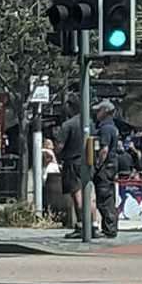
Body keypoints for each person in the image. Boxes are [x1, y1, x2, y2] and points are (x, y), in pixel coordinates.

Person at [55, 100, 88, 235]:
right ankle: (93, 224)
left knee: (77, 194)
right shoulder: (88, 123)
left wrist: (57, 152)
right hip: (87, 161)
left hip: (72, 162)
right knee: (89, 194)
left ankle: (80, 225)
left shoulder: (68, 125)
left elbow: (60, 146)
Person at [91, 101, 122, 238]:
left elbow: (104, 150)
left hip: (106, 167)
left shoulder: (105, 128)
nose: (96, 114)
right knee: (108, 197)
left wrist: (98, 164)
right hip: (111, 166)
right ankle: (110, 227)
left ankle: (110, 228)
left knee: (104, 198)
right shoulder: (112, 127)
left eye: (98, 111)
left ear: (104, 111)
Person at [41, 136, 62, 220]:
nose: (52, 144)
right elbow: (47, 160)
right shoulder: (47, 152)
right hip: (50, 172)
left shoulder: (48, 152)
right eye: (49, 143)